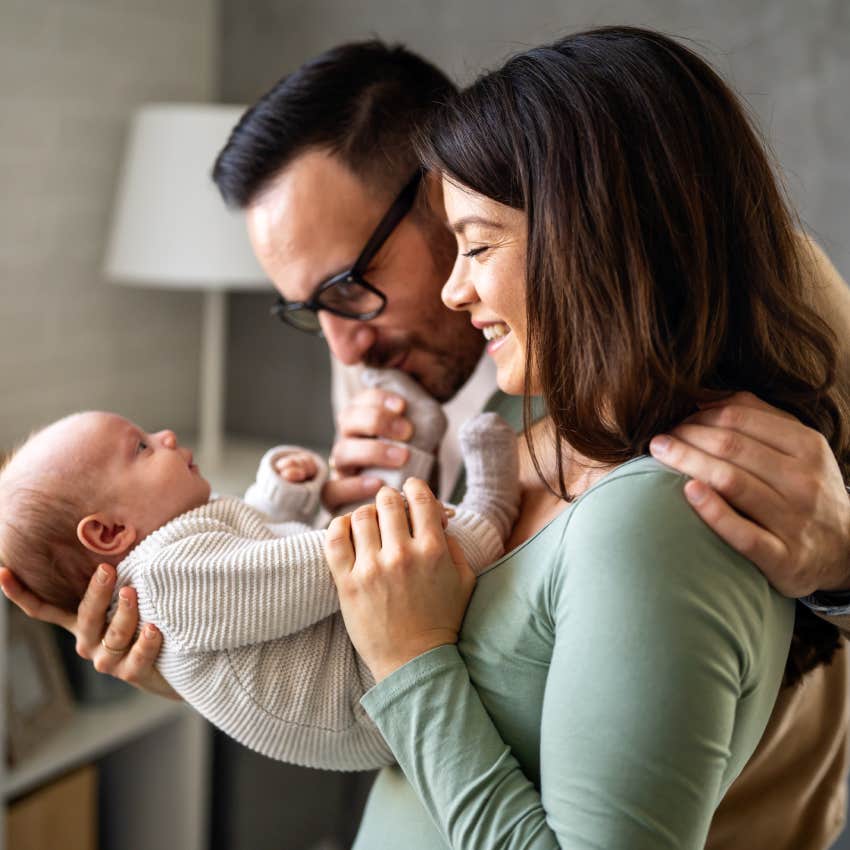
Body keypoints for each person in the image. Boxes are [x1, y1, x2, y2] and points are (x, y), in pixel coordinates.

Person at [2, 37, 849, 849]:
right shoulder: (378, 348)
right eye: (308, 309)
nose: (342, 348)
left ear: (442, 187)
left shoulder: (737, 288)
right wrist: (198, 652)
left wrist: (846, 568)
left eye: (349, 288)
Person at [324, 27, 850, 849]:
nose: (455, 288)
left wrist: (409, 662)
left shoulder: (661, 514)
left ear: (592, 235)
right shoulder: (536, 428)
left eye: (478, 244)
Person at [0, 404, 517, 769]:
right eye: (140, 446)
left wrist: (281, 494)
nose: (167, 437)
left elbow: (257, 550)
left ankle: (423, 450)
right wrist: (379, 532)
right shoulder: (166, 582)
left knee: (374, 540)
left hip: (357, 664)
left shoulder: (182, 559)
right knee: (409, 554)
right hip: (367, 698)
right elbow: (290, 576)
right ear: (110, 533)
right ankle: (490, 514)